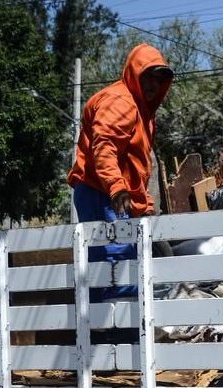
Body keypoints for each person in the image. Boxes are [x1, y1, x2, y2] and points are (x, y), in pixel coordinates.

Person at [67, 43, 173, 301]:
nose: (152, 85)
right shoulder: (121, 101)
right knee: (115, 265)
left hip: (114, 194)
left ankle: (120, 329)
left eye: (158, 80)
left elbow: (136, 169)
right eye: (147, 76)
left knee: (122, 265)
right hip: (101, 192)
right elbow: (104, 147)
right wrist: (117, 187)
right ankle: (116, 333)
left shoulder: (142, 111)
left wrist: (145, 207)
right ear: (134, 73)